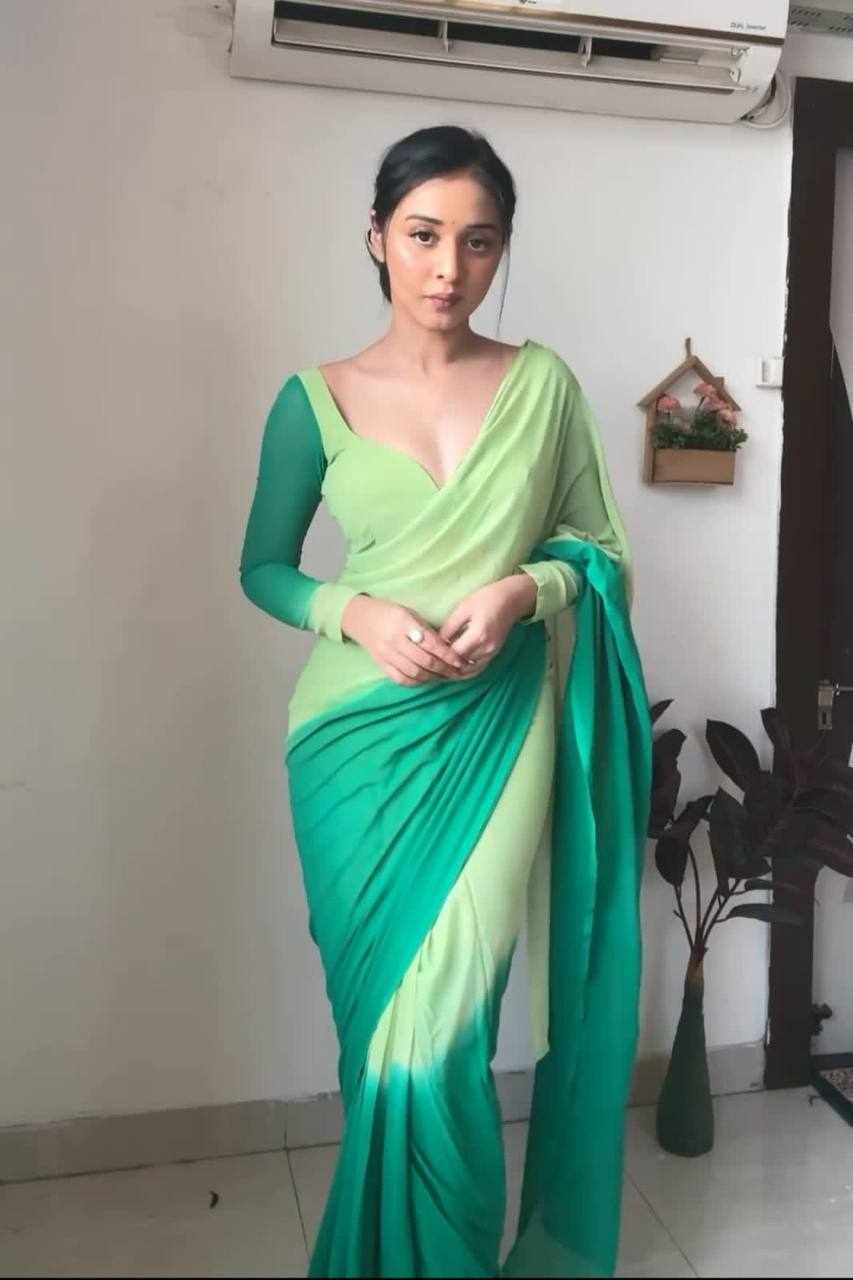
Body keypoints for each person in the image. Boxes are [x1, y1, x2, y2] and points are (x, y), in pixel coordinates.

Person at [239, 124, 653, 1279]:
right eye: (423, 235)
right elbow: (261, 566)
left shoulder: (542, 385)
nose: (448, 267)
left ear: (500, 250)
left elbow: (601, 549)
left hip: (497, 723)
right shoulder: (312, 400)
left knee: (450, 1018)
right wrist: (354, 613)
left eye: (478, 242)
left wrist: (526, 588)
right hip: (350, 745)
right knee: (382, 1030)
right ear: (377, 237)